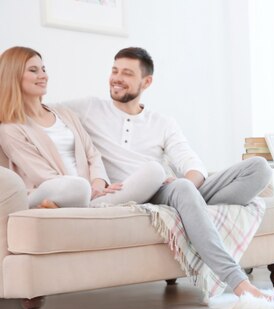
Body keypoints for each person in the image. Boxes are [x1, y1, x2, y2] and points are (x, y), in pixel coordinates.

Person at [63, 47, 272, 298]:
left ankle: (188, 206)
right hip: (131, 192)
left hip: (164, 189)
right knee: (181, 188)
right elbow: (37, 111)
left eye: (127, 73)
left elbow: (193, 165)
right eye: (114, 70)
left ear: (146, 81)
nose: (117, 77)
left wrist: (183, 184)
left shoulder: (162, 122)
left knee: (259, 168)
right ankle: (237, 282)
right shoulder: (88, 108)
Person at [0, 46, 165, 209]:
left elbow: (92, 154)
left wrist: (98, 184)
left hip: (89, 193)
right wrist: (85, 188)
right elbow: (41, 175)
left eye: (43, 69)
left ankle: (93, 208)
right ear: (13, 76)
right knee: (77, 187)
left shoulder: (65, 114)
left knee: (155, 171)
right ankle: (94, 206)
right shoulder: (11, 128)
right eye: (33, 70)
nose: (43, 75)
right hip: (52, 190)